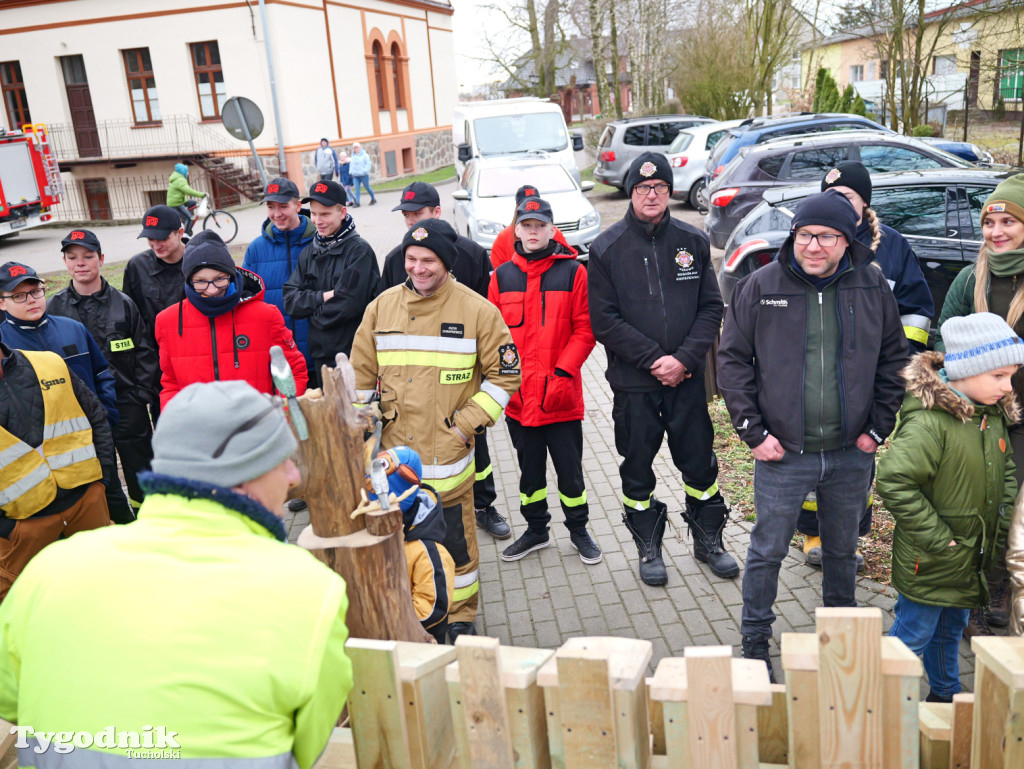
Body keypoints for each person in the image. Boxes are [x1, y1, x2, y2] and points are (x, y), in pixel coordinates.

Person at [0, 381, 353, 768]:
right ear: (242, 474)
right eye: (282, 459)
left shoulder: (50, 571)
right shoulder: (310, 589)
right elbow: (309, 745)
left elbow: (10, 700)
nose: (292, 476)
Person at [718, 189, 909, 681]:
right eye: (805, 235)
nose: (814, 245)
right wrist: (752, 432)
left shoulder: (871, 286)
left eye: (826, 236)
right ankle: (755, 641)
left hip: (851, 453)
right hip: (782, 452)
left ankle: (840, 642)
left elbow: (894, 359)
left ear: (847, 241)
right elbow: (732, 361)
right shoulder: (761, 286)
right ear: (794, 236)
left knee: (843, 552)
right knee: (766, 551)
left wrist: (877, 426)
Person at [350, 217, 520, 643]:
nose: (419, 268)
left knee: (455, 548)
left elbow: (505, 377)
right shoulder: (381, 307)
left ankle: (460, 615)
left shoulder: (478, 311)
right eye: (411, 258)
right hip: (393, 466)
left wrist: (463, 427)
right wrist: (361, 435)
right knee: (398, 547)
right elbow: (359, 378)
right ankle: (406, 610)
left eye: (428, 260)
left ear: (446, 262)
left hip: (448, 461)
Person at [588, 152, 738, 587]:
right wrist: (655, 360)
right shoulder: (606, 249)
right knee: (637, 466)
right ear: (631, 193)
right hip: (635, 383)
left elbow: (712, 307)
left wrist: (684, 360)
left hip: (687, 380)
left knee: (700, 464)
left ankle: (709, 540)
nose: (651, 195)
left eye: (659, 188)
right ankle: (648, 546)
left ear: (669, 192)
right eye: (641, 188)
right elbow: (604, 321)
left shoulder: (692, 241)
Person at [797, 161, 936, 568]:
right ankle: (812, 534)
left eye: (848, 197)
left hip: (869, 378)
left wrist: (894, 366)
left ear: (866, 203)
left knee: (858, 461)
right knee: (812, 457)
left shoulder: (891, 246)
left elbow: (916, 311)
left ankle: (849, 538)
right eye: (831, 196)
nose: (838, 204)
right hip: (818, 373)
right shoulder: (814, 243)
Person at [878, 313, 1022, 702]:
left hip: (967, 559)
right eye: (999, 376)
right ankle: (880, 708)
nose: (1009, 387)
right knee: (913, 636)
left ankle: (946, 696)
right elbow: (894, 480)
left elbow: (1006, 471)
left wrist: (1002, 518)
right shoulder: (931, 424)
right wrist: (942, 542)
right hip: (934, 559)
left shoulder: (990, 416)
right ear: (966, 369)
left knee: (949, 632)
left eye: (1012, 376)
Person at [379, 181, 506, 540]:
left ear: (436, 212)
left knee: (471, 454)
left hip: (459, 386)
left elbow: (485, 314)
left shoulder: (472, 254)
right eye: (406, 216)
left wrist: (468, 413)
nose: (410, 222)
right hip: (410, 396)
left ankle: (484, 505)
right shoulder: (393, 261)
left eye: (417, 214)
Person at [935, 172, 1024, 637]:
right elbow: (943, 337)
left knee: (1009, 508)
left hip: (1021, 418)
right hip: (975, 414)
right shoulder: (973, 277)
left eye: (1009, 221)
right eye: (990, 223)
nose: (997, 232)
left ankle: (1000, 586)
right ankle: (967, 595)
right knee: (971, 505)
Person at [489, 196, 600, 564]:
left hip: (561, 397)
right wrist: (508, 382)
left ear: (553, 230)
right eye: (526, 225)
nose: (533, 232)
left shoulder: (573, 272)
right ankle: (536, 530)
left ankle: (579, 530)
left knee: (570, 475)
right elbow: (495, 336)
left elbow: (585, 330)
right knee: (529, 474)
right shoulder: (502, 277)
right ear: (516, 230)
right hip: (520, 401)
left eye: (540, 225)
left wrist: (564, 372)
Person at [0, 261, 130, 521]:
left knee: (116, 508)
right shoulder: (4, 346)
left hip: (92, 447)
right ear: (2, 303)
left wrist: (106, 417)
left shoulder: (73, 328)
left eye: (36, 292)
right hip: (43, 469)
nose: (31, 300)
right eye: (18, 296)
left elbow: (102, 374)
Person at [48, 230, 159, 521]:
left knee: (141, 469)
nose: (80, 263)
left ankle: (149, 520)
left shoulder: (123, 304)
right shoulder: (54, 309)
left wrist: (140, 396)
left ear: (101, 259)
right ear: (65, 262)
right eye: (72, 258)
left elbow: (145, 351)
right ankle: (118, 527)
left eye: (88, 256)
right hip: (79, 413)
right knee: (99, 475)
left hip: (127, 405)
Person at [0, 333, 114, 600]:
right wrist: (7, 530)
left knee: (104, 587)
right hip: (23, 526)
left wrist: (100, 483)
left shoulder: (48, 363)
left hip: (86, 502)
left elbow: (96, 417)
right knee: (22, 605)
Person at [156, 231, 308, 408]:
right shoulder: (167, 322)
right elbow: (171, 383)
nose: (212, 290)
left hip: (257, 426)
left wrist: (281, 412)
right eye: (201, 281)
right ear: (188, 281)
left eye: (220, 279)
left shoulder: (266, 316)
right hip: (200, 429)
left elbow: (293, 371)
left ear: (232, 274)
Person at [283, 180, 379, 386]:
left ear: (342, 212)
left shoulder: (359, 251)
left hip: (354, 354)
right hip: (321, 357)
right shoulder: (310, 251)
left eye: (325, 214)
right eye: (314, 214)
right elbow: (290, 300)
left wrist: (311, 312)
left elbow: (349, 305)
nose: (317, 220)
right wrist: (323, 297)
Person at [369, 445, 455, 644]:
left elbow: (433, 609)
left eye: (378, 502)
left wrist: (386, 621)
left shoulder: (428, 552)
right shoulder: (373, 525)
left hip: (412, 642)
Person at [243, 177, 317, 375]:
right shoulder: (256, 249)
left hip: (316, 353)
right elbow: (246, 301)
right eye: (270, 206)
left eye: (283, 206)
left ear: (298, 205)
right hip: (275, 356)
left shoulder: (320, 242)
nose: (277, 214)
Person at [123, 204, 188, 349]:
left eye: (162, 238)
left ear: (180, 233)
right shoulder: (137, 266)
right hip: (156, 355)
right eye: (150, 238)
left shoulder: (202, 261)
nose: (156, 245)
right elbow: (133, 319)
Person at [489, 184, 573, 269]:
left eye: (534, 205)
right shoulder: (503, 237)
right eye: (525, 205)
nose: (530, 210)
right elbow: (496, 272)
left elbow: (566, 260)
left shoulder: (554, 233)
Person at [166, 162, 207, 234]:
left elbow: (181, 192)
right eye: (186, 171)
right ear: (183, 172)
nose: (187, 173)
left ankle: (185, 220)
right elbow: (188, 191)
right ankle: (187, 233)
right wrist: (202, 194)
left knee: (193, 203)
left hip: (179, 200)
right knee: (190, 218)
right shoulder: (180, 180)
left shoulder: (178, 177)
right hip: (175, 203)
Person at [348, 142, 377, 207]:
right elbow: (351, 165)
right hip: (355, 176)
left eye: (357, 147)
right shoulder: (353, 156)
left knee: (367, 187)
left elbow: (368, 164)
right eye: (355, 148)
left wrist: (365, 171)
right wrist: (351, 172)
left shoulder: (364, 155)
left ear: (360, 148)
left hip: (364, 175)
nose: (356, 149)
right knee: (357, 189)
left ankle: (373, 198)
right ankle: (357, 202)